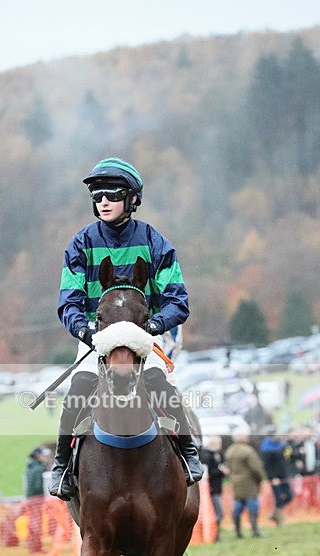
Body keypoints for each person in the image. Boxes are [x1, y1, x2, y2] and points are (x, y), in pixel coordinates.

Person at [48, 157, 203, 499]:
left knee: (160, 384)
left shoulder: (154, 242)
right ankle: (62, 465)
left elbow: (178, 301)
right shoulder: (80, 244)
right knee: (78, 389)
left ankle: (188, 452)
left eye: (112, 195)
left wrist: (154, 325)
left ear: (132, 199)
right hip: (98, 336)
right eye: (97, 196)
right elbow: (68, 303)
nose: (103, 201)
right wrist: (85, 332)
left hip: (144, 335)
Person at [224, 429, 267, 538]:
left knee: (238, 506)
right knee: (253, 506)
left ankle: (237, 531)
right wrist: (260, 479)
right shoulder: (248, 451)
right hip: (249, 482)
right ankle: (255, 530)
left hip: (235, 482)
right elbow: (256, 468)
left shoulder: (230, 451)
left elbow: (228, 468)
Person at [259, 430, 294, 526]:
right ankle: (279, 520)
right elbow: (267, 466)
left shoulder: (282, 445)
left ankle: (274, 514)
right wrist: (273, 477)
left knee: (289, 496)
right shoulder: (266, 448)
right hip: (274, 478)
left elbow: (287, 457)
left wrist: (288, 451)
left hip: (283, 476)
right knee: (278, 498)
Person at [200, 435, 227, 541]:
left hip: (217, 487)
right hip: (211, 489)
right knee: (218, 513)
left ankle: (216, 534)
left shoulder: (217, 454)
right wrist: (221, 470)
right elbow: (208, 473)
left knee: (218, 513)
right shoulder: (206, 456)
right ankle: (215, 535)